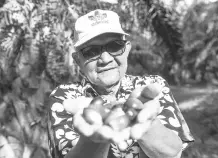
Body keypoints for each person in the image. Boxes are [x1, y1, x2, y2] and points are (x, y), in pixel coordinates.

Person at [47, 9, 194, 158]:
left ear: (126, 49)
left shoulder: (152, 86)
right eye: (91, 51)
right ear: (78, 60)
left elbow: (173, 151)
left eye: (115, 46)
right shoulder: (65, 97)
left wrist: (147, 126)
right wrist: (94, 140)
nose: (105, 59)